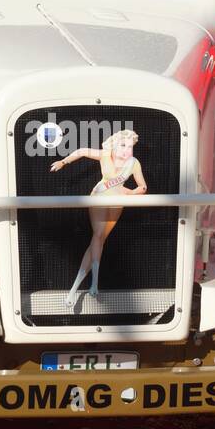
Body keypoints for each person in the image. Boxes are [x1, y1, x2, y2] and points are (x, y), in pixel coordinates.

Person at [50, 128, 148, 307]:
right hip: (100, 196)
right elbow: (81, 151)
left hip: (118, 202)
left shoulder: (133, 163)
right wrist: (63, 162)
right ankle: (94, 282)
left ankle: (76, 288)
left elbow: (142, 187)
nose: (127, 150)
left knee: (99, 241)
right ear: (116, 144)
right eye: (124, 145)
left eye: (130, 146)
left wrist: (133, 193)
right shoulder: (105, 155)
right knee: (98, 235)